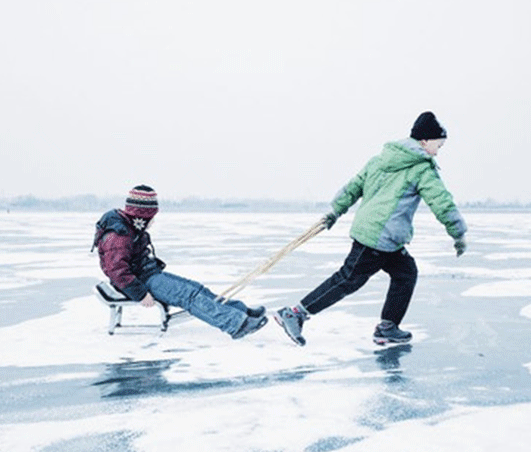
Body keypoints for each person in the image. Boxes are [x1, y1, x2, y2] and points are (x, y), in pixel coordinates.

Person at [274, 111, 466, 346]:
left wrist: (336, 209)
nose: (438, 150)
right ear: (425, 141)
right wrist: (458, 233)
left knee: (406, 273)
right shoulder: (421, 170)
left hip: (387, 239)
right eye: (439, 144)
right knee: (347, 279)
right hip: (377, 238)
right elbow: (442, 203)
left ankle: (388, 326)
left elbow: (353, 187)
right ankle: (295, 313)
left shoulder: (379, 160)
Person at [94, 185, 268, 339]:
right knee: (188, 295)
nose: (153, 221)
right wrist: (140, 294)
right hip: (139, 281)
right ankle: (236, 324)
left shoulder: (130, 227)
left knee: (197, 289)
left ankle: (240, 311)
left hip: (147, 274)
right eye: (150, 218)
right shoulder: (119, 234)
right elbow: (117, 270)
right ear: (141, 215)